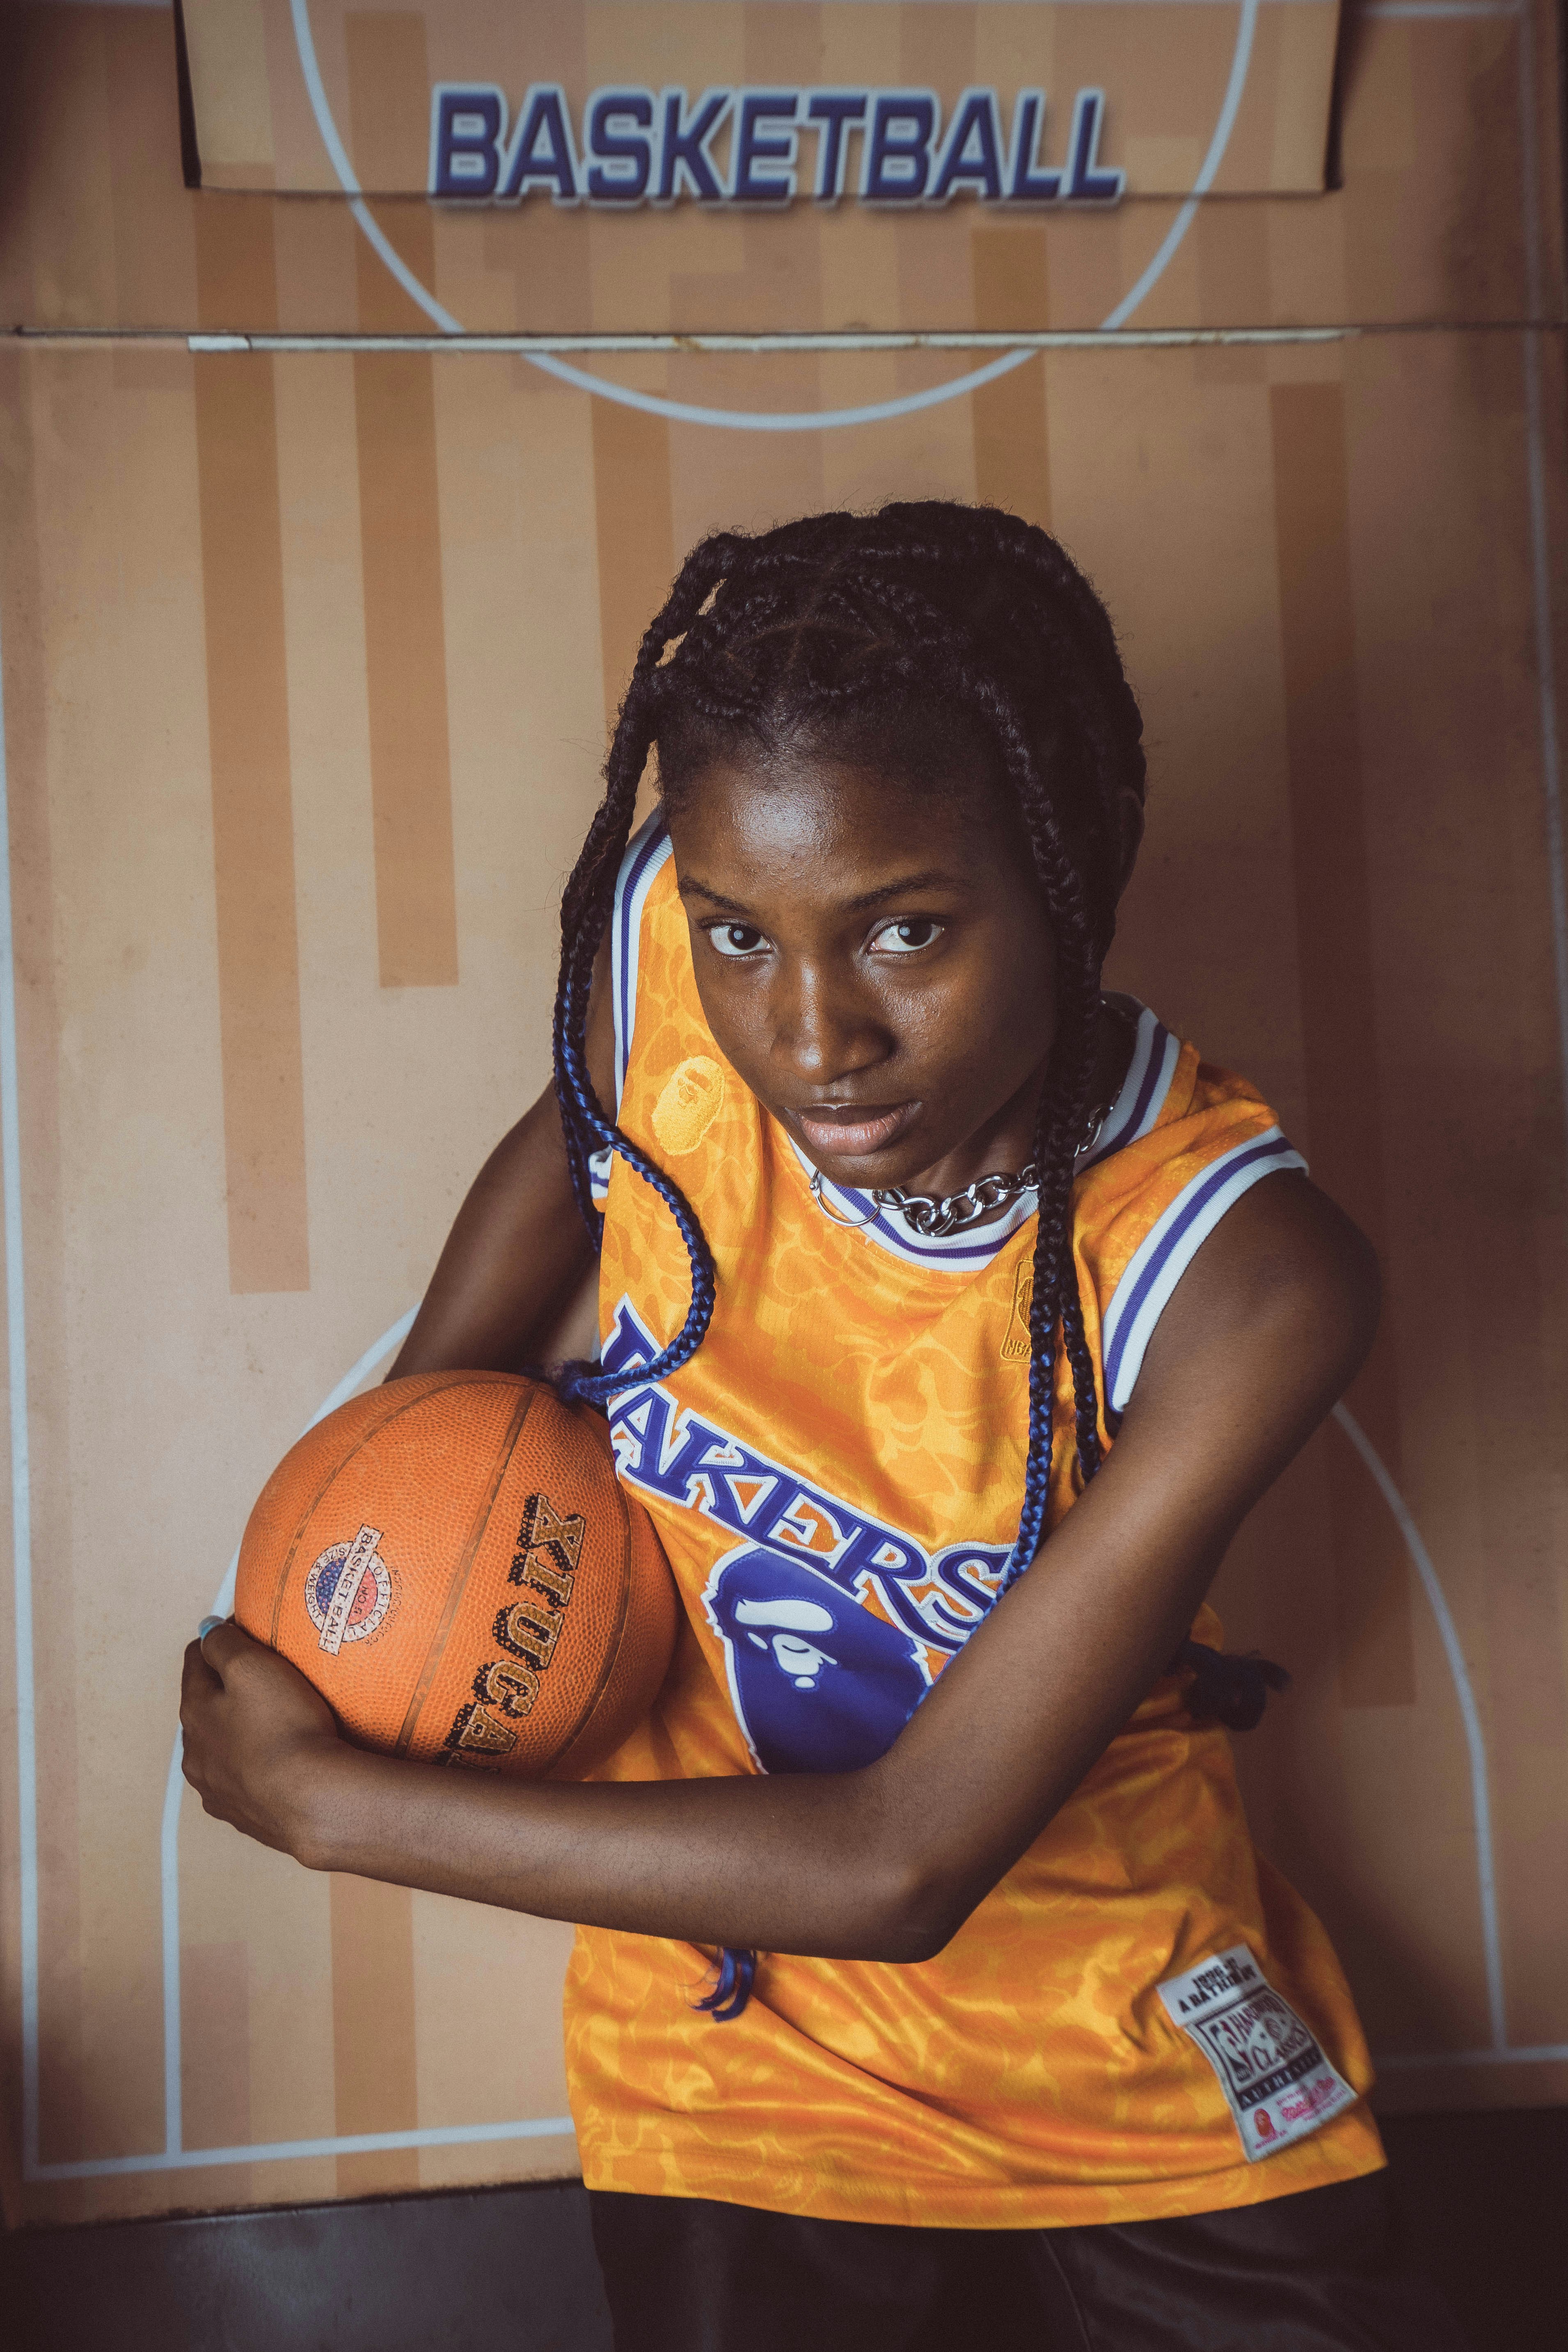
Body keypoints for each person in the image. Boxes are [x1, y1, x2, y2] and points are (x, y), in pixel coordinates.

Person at [182, 504, 1463, 2349]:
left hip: (1102, 2012)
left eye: (908, 931)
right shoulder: (666, 932)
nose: (810, 1036)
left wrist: (333, 1803)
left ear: (1067, 873)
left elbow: (899, 1860)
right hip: (733, 2042)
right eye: (741, 938)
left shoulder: (1236, 1275)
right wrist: (400, 1474)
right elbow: (582, 1132)